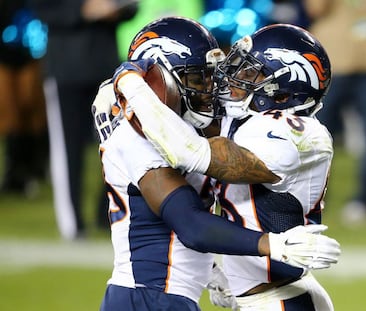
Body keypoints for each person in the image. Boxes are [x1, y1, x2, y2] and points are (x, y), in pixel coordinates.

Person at [94, 17, 340, 311]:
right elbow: (188, 225)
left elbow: (191, 154)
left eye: (250, 74)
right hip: (148, 296)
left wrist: (129, 84)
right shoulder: (140, 136)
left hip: (275, 297)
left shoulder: (287, 130)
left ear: (284, 93)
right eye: (199, 78)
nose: (216, 86)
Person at [30, 0, 138, 239]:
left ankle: (107, 213)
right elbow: (41, 9)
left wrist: (116, 10)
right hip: (65, 69)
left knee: (115, 145)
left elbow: (132, 6)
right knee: (68, 149)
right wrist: (82, 11)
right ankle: (72, 221)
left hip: (105, 69)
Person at [304, 0, 366, 224]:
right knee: (317, 135)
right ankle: (310, 198)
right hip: (334, 62)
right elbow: (315, 8)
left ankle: (365, 200)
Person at [0, 0, 49, 197]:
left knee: (32, 111)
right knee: (10, 116)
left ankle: (34, 167)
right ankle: (14, 172)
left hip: (32, 55)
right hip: (4, 56)